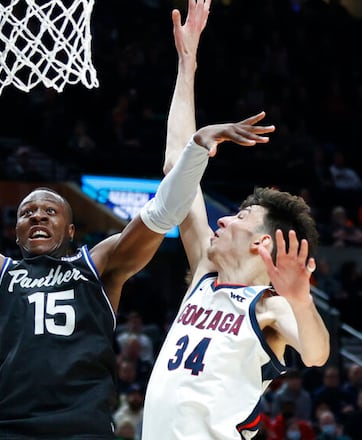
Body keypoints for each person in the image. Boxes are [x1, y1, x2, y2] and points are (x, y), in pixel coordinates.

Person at [0, 2, 270, 436]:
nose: (37, 215)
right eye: (27, 212)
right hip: (10, 431)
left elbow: (162, 212)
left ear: (71, 230)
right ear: (15, 230)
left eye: (50, 210)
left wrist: (193, 151)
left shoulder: (97, 266)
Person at [140, 1, 330, 439]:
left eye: (240, 216)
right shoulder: (205, 276)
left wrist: (301, 300)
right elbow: (176, 167)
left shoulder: (269, 307)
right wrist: (186, 65)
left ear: (264, 245)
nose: (222, 222)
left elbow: (317, 354)